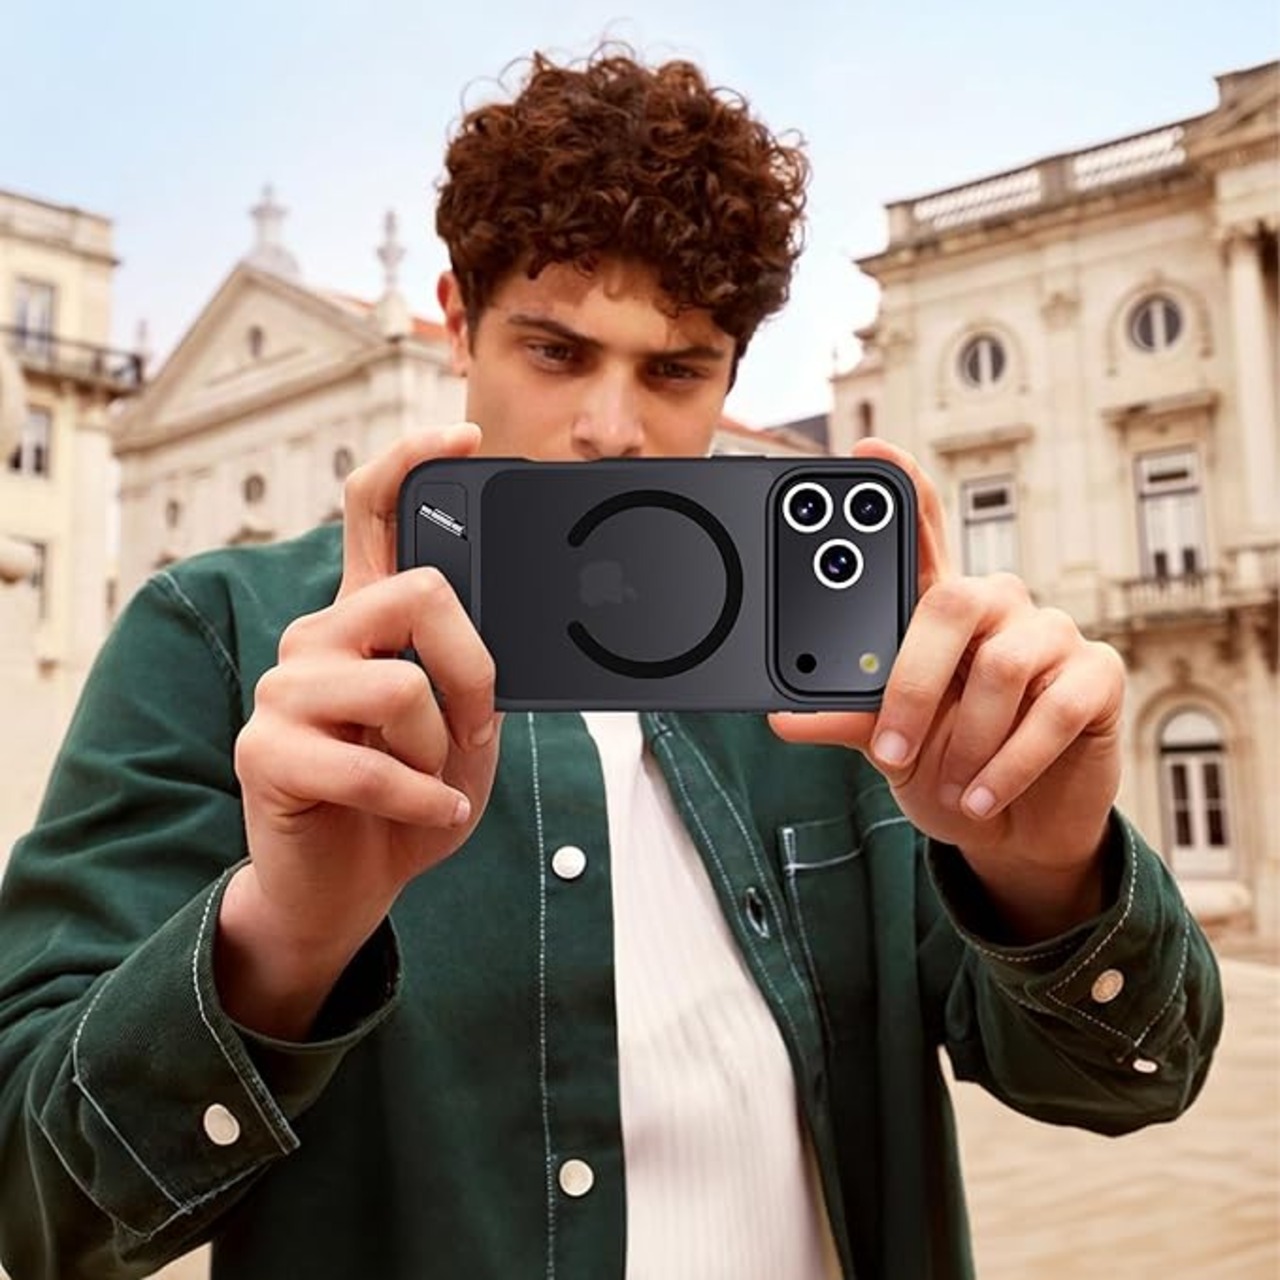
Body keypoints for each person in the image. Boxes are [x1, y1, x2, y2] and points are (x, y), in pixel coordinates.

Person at [0, 46, 1221, 1280]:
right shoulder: (221, 632)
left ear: (732, 371)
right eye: (554, 351)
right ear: (456, 322)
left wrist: (1046, 874)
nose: (610, 428)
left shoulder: (844, 666)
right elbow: (36, 1208)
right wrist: (279, 938)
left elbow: (1131, 1078)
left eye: (674, 369)